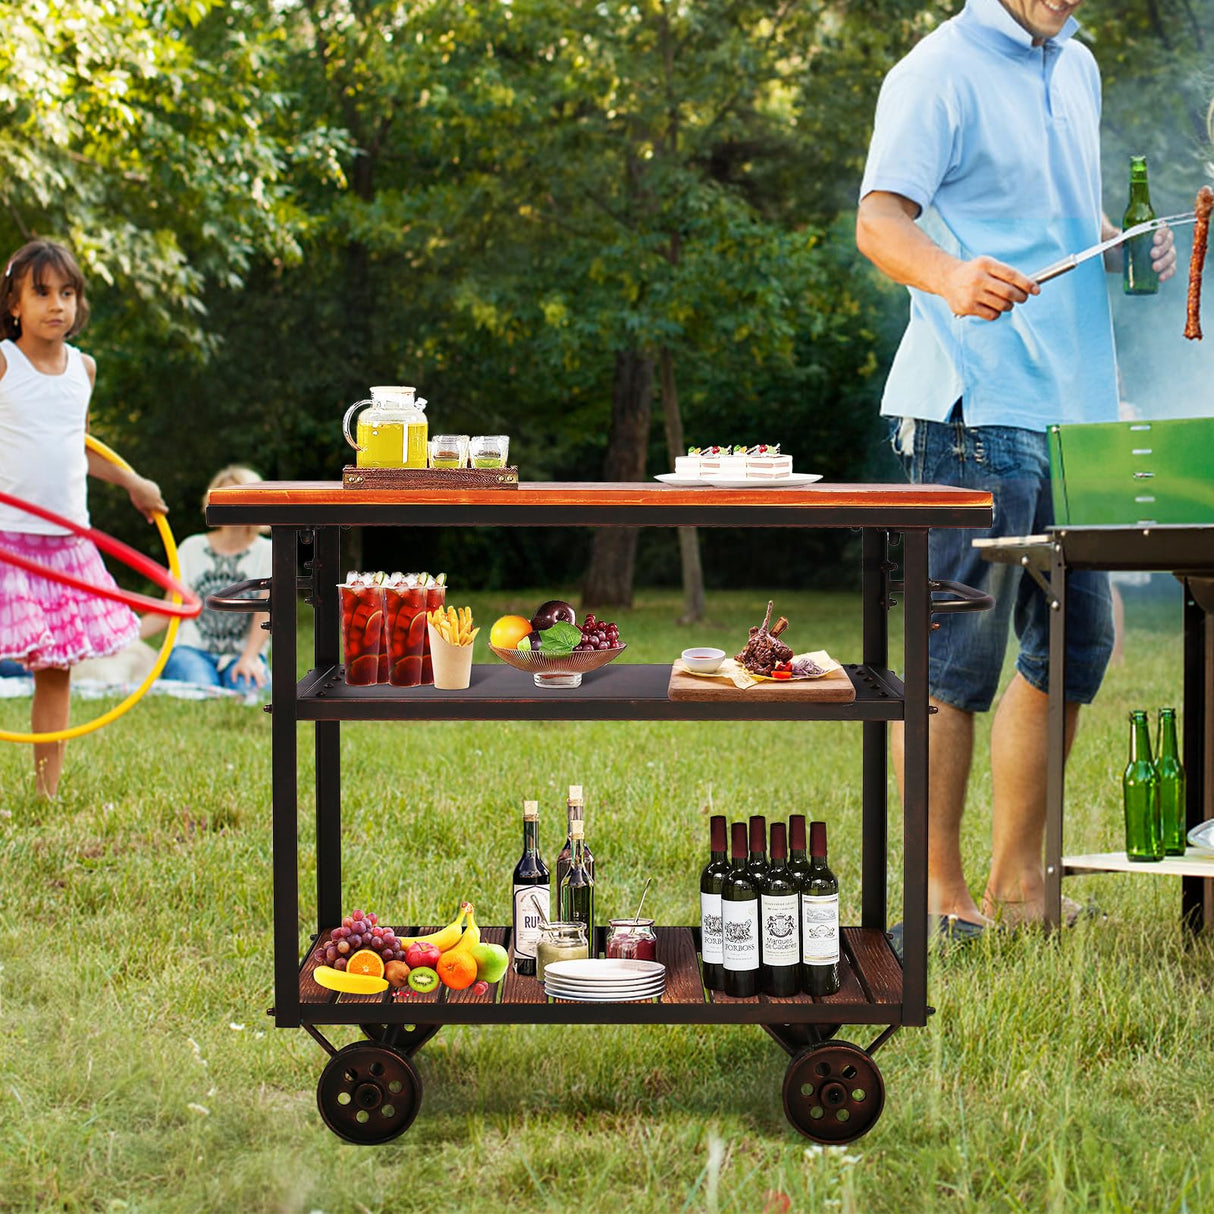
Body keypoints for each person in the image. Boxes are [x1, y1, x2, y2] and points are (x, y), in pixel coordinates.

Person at [855, 0, 1177, 942]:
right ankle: (939, 898)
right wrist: (951, 277)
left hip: (1074, 408)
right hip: (971, 406)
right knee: (957, 662)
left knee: (1076, 647)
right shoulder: (936, 69)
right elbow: (880, 223)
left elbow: (1054, 226)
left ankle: (1021, 886)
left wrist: (1127, 250)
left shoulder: (1076, 65)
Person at [0, 238, 168, 797]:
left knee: (55, 671)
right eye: (41, 292)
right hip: (9, 538)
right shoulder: (4, 362)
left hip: (67, 545)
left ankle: (46, 791)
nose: (56, 305)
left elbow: (80, 448)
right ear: (14, 304)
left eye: (67, 293)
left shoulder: (83, 370)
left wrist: (134, 483)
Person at [141, 465, 271, 693]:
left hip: (242, 653)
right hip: (190, 650)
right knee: (202, 691)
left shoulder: (268, 552)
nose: (231, 507)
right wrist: (120, 638)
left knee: (249, 691)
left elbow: (267, 611)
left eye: (239, 498)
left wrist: (249, 658)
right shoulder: (192, 548)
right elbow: (170, 608)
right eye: (223, 498)